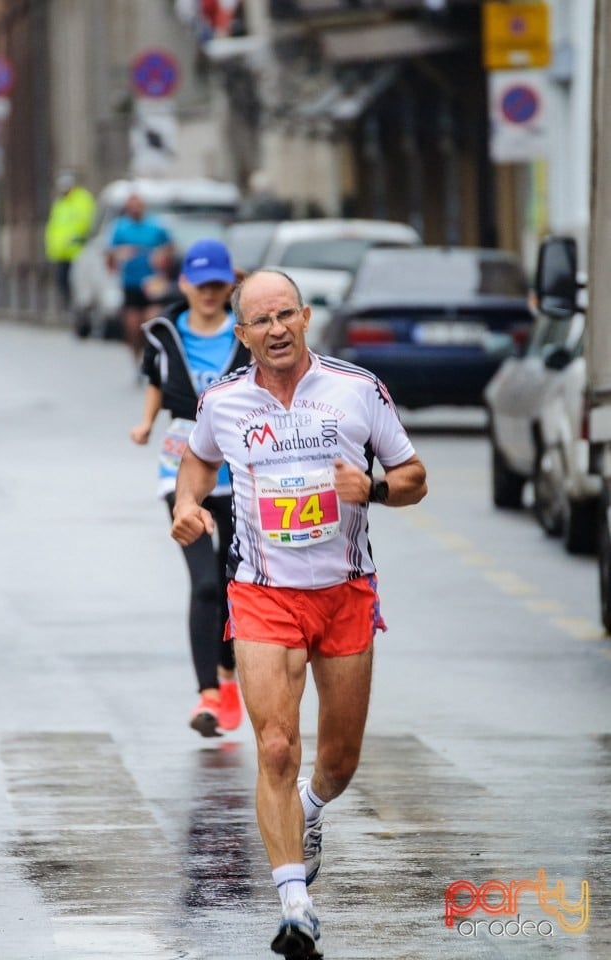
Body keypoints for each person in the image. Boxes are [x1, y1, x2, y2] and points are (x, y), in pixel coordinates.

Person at [170, 268, 427, 958]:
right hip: (263, 593)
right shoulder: (223, 401)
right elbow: (196, 466)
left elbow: (414, 477)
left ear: (306, 316)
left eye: (287, 314)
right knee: (277, 747)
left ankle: (310, 809)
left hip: (345, 592)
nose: (277, 329)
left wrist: (370, 487)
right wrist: (188, 507)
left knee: (337, 762)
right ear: (242, 332)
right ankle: (295, 906)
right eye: (262, 321)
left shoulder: (356, 389)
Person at [130, 239, 251, 738]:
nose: (208, 293)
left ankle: (228, 675)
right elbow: (157, 381)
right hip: (182, 472)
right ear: (184, 285)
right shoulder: (162, 334)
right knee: (205, 582)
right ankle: (208, 694)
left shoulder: (246, 335)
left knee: (234, 584)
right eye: (200, 285)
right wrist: (144, 423)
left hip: (243, 475)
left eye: (218, 285)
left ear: (231, 285)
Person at [107, 192, 173, 366]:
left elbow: (170, 248)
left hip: (153, 283)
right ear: (127, 208)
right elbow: (110, 256)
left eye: (138, 205)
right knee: (132, 325)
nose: (135, 209)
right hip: (131, 283)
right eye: (132, 206)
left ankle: (152, 358)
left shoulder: (156, 226)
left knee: (152, 320)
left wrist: (161, 255)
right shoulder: (120, 228)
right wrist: (119, 254)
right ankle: (136, 357)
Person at [44, 171, 95, 311]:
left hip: (78, 251)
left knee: (78, 282)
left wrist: (80, 238)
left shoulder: (83, 199)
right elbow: (54, 226)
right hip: (61, 253)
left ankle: (78, 308)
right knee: (62, 282)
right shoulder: (59, 203)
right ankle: (69, 308)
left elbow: (87, 222)